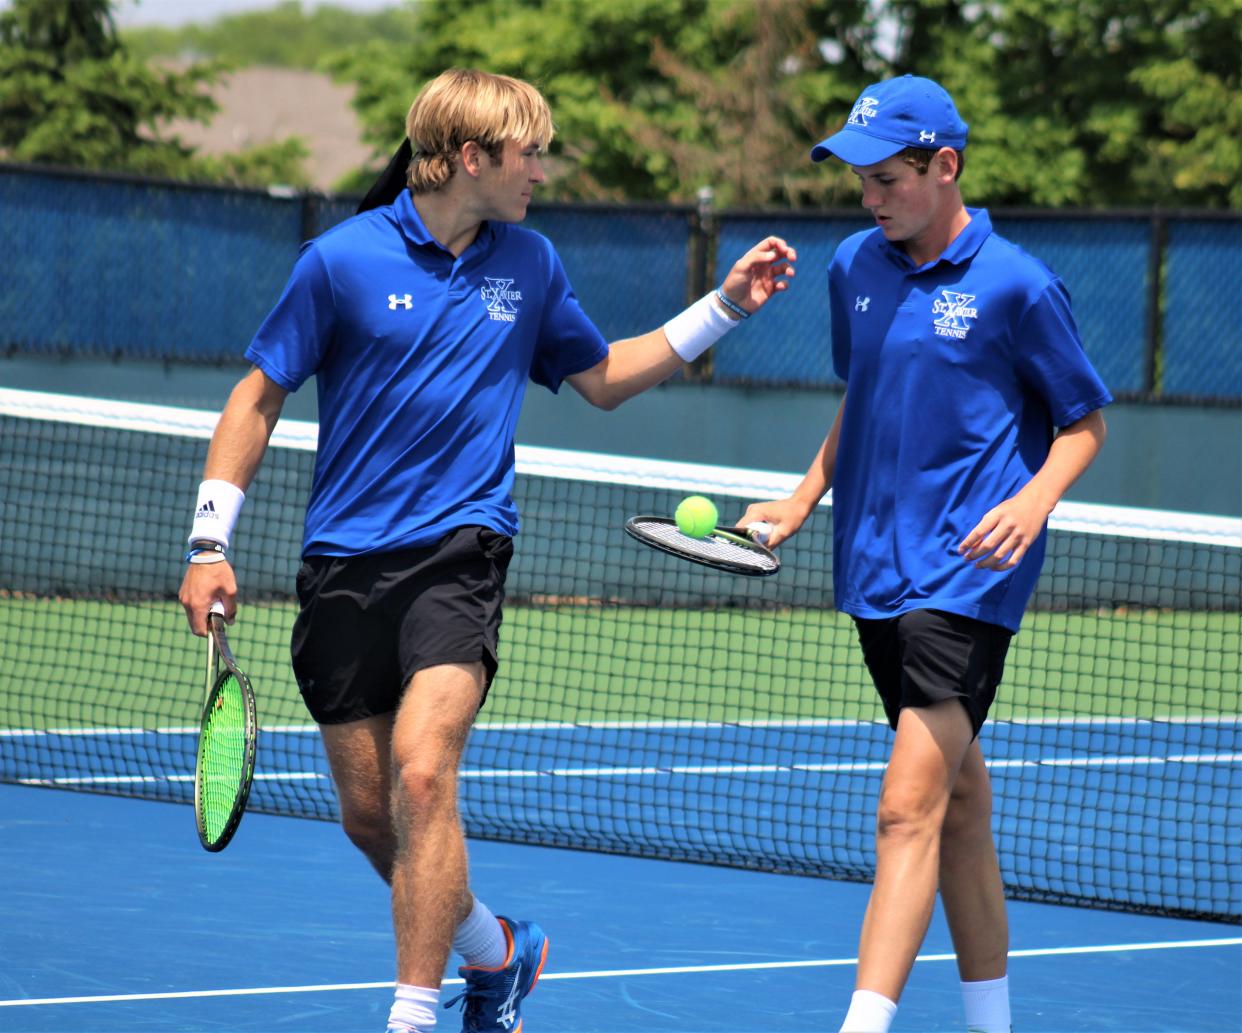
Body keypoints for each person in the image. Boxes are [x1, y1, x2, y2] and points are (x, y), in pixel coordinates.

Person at [178, 68, 794, 1033]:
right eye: (529, 152)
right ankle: (498, 953)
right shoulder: (339, 261)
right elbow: (257, 398)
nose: (542, 171)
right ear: (470, 156)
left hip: (461, 555)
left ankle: (413, 1015)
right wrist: (209, 540)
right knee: (373, 818)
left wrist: (726, 306)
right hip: (342, 567)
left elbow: (603, 377)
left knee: (425, 775)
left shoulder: (531, 264)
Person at [739, 75, 1110, 1033]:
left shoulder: (1020, 284)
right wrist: (800, 496)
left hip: (968, 575)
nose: (869, 197)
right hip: (872, 571)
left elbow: (1084, 423)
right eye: (859, 178)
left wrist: (1033, 499)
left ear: (944, 167)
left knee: (907, 808)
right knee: (962, 806)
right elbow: (860, 398)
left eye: (887, 177)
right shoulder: (854, 268)